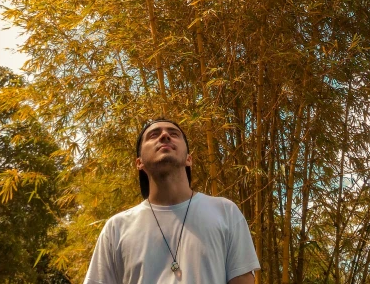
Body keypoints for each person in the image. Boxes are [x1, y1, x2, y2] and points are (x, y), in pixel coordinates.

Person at [83, 118, 260, 284]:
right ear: (139, 163)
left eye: (174, 134)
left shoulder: (225, 212)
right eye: (154, 135)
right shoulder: (116, 229)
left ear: (189, 159)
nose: (164, 136)